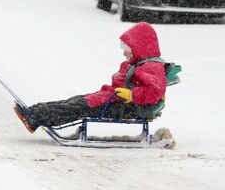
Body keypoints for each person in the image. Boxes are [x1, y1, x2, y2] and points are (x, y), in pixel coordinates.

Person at [14, 22, 167, 133]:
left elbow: (154, 93)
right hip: (118, 101)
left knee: (80, 107)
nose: (124, 52)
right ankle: (34, 113)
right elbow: (120, 83)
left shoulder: (152, 66)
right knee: (77, 101)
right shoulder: (139, 64)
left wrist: (131, 95)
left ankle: (35, 116)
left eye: (127, 48)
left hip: (130, 108)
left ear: (139, 47)